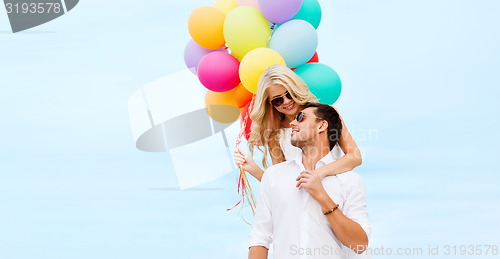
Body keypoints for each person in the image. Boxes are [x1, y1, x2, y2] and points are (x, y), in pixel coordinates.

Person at [248, 103, 371, 259]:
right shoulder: (273, 176)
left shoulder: (350, 180)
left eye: (301, 118)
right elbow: (260, 237)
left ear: (322, 125)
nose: (292, 123)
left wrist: (322, 196)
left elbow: (359, 244)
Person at [234, 65, 362, 181]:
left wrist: (318, 174)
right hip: (302, 202)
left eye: (289, 94)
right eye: (277, 100)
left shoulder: (326, 114)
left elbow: (355, 157)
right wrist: (253, 169)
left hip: (337, 193)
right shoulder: (275, 135)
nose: (286, 101)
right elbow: (280, 183)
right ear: (270, 104)